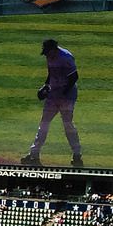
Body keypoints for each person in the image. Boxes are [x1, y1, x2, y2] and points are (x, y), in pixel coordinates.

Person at [21, 39, 83, 167]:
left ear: (54, 49)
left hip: (67, 97)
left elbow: (74, 77)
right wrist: (45, 86)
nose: (47, 55)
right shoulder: (50, 56)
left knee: (68, 125)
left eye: (48, 52)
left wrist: (63, 94)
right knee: (44, 124)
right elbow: (51, 73)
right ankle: (34, 154)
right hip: (53, 96)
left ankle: (77, 155)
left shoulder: (66, 57)